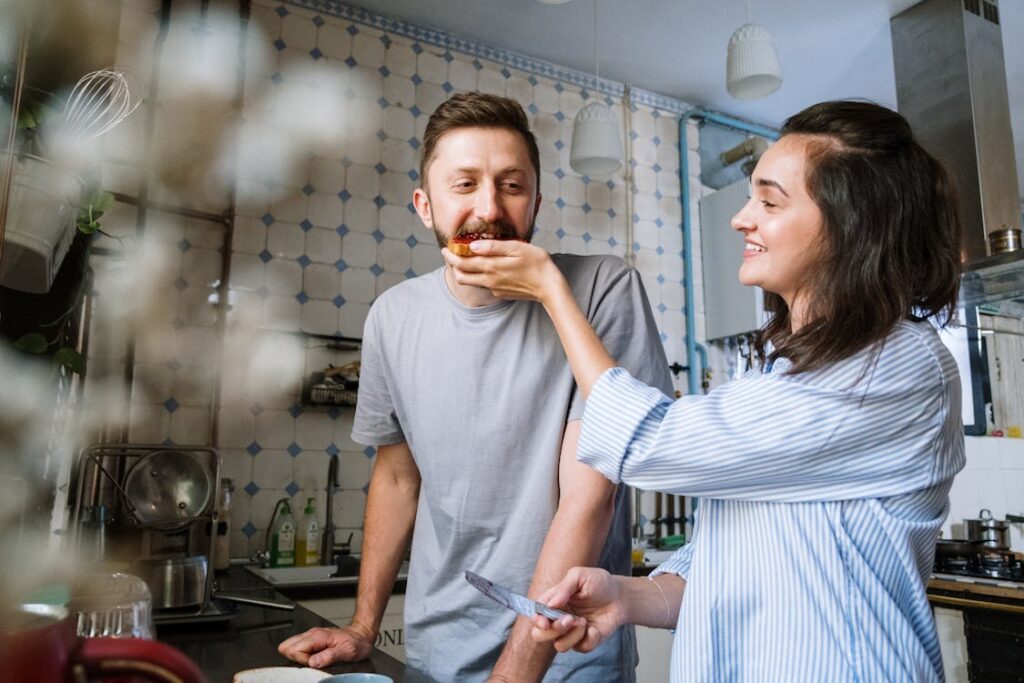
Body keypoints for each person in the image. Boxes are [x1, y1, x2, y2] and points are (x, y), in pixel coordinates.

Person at [445, 100, 966, 682]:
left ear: (853, 226)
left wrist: (553, 292)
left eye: (769, 201)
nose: (742, 218)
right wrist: (622, 595)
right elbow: (724, 566)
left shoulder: (897, 365)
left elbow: (650, 444)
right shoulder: (774, 369)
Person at [278, 91, 673, 682]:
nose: (489, 207)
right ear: (425, 205)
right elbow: (395, 475)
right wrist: (364, 625)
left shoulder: (602, 290)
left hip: (570, 658)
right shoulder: (391, 316)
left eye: (511, 185)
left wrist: (515, 672)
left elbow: (589, 500)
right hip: (437, 653)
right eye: (464, 185)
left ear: (536, 199)